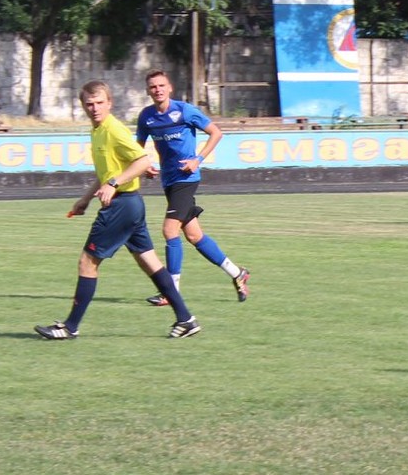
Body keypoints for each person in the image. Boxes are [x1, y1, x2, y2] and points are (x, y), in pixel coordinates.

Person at [35, 80, 199, 340]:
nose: (94, 108)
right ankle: (186, 319)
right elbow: (107, 172)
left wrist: (114, 183)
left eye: (100, 103)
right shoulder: (97, 130)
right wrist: (85, 199)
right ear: (83, 106)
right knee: (149, 262)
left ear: (109, 103)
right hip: (130, 204)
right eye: (89, 104)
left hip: (121, 206)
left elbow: (143, 161)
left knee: (87, 262)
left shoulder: (113, 130)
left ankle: (70, 326)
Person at [134, 70, 249, 306]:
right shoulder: (146, 117)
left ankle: (171, 290)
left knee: (169, 231)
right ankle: (237, 273)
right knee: (195, 235)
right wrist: (143, 165)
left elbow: (216, 132)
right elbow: (137, 146)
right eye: (153, 87)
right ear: (148, 91)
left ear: (170, 88)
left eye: (161, 85)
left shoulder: (184, 110)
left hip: (186, 179)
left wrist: (198, 159)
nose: (158, 90)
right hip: (168, 181)